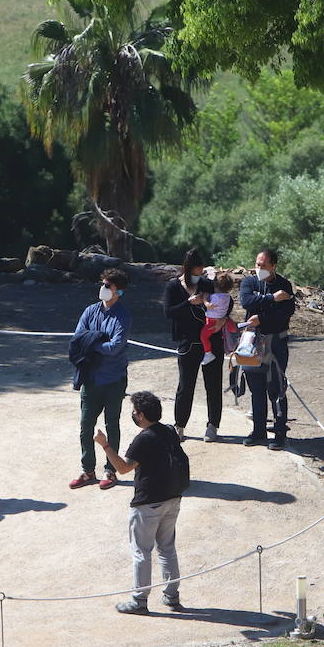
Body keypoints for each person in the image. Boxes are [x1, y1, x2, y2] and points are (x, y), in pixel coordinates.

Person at [96, 390, 186, 615]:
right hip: (172, 498)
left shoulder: (143, 439)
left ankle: (139, 601)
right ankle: (171, 595)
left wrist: (105, 445)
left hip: (148, 504)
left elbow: (123, 468)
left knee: (141, 551)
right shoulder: (168, 430)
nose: (133, 415)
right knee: (166, 549)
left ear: (143, 415)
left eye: (135, 412)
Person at [70, 268, 131, 489]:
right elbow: (78, 339)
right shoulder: (90, 311)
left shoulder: (123, 316)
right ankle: (87, 470)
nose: (103, 289)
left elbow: (115, 347)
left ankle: (110, 471)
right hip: (90, 379)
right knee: (86, 426)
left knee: (111, 425)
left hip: (114, 380)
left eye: (108, 286)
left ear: (119, 292)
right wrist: (96, 342)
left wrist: (91, 343)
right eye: (103, 284)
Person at [239, 248, 297, 450]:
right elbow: (246, 301)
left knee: (277, 387)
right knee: (256, 388)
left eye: (263, 265)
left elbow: (285, 312)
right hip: (253, 344)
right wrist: (272, 299)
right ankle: (258, 430)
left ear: (273, 266)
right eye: (257, 264)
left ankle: (280, 432)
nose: (259, 268)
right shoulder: (249, 282)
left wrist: (262, 317)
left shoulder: (284, 285)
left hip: (276, 343)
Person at [164, 249, 223, 443]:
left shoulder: (207, 284)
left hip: (212, 341)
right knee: (185, 386)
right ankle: (180, 424)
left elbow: (223, 302)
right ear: (188, 269)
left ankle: (213, 424)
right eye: (196, 271)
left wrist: (221, 320)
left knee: (213, 384)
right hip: (187, 342)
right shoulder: (173, 286)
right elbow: (169, 312)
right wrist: (188, 303)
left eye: (201, 271)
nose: (199, 275)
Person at [199, 272, 237, 365]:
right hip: (222, 318)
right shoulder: (227, 297)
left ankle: (208, 353)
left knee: (203, 336)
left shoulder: (215, 297)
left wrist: (204, 299)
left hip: (212, 320)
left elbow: (208, 303)